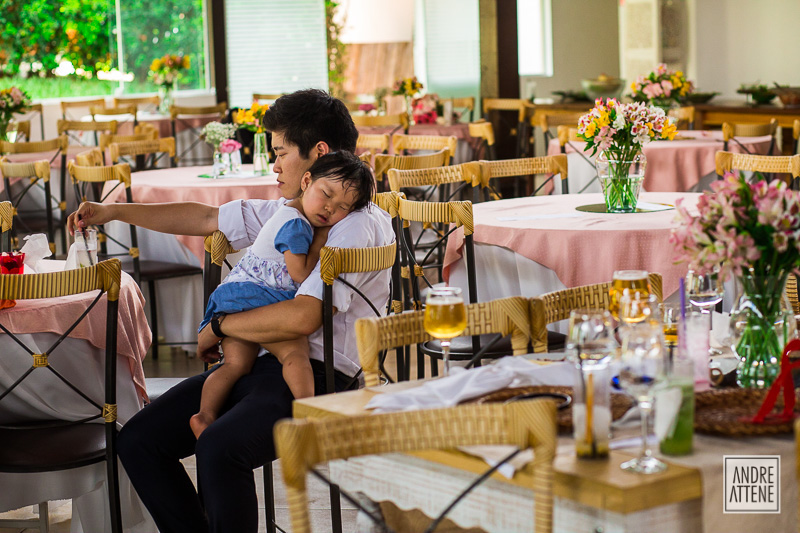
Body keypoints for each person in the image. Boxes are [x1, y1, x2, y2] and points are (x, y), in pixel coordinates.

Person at [67, 89, 394, 533]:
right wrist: (110, 211)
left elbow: (305, 317)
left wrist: (220, 325)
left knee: (219, 448)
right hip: (261, 360)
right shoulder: (296, 211)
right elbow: (206, 219)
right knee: (139, 440)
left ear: (318, 153)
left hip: (319, 376)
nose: (274, 165)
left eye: (280, 152)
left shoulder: (352, 223)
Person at [191, 151, 374, 438]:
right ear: (306, 181)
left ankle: (204, 415)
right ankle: (310, 412)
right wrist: (321, 241)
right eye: (326, 194)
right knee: (295, 354)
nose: (329, 209)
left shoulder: (287, 212)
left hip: (232, 296)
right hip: (258, 297)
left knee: (235, 364)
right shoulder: (297, 225)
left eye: (342, 207)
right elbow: (300, 274)